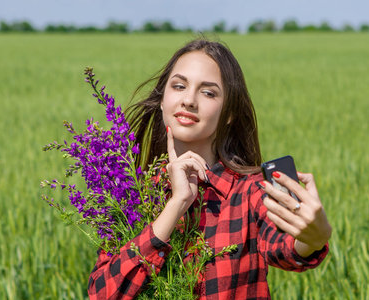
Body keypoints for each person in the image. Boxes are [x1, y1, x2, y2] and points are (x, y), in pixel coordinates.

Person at [87, 38, 332, 299]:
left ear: (228, 112)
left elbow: (285, 248)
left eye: (208, 92)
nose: (189, 100)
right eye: (179, 86)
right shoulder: (132, 197)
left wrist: (312, 238)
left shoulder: (251, 193)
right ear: (162, 100)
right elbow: (103, 294)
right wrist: (176, 204)